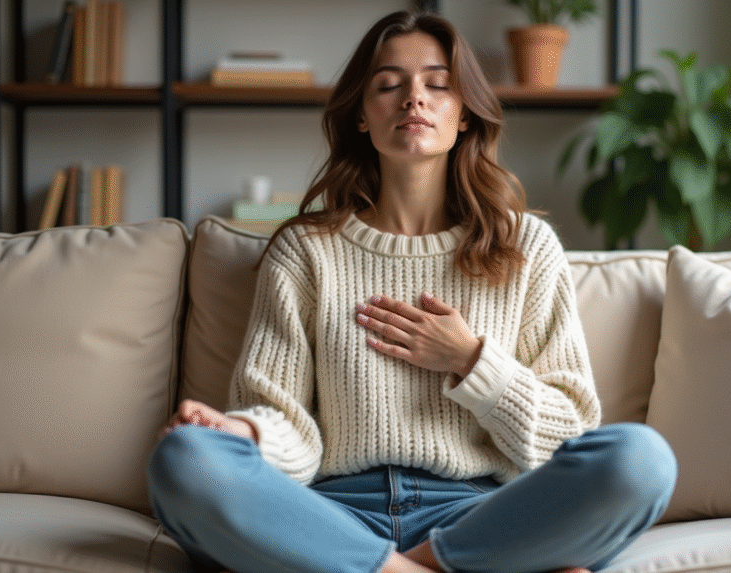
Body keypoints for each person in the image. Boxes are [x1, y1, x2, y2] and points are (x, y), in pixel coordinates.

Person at [146, 10, 677, 573]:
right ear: (360, 116)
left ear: (465, 114)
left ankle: (412, 565)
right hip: (331, 516)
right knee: (185, 459)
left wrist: (472, 361)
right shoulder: (306, 250)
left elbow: (565, 437)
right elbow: (291, 429)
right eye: (389, 85)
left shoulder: (527, 247)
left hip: (482, 513)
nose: (413, 99)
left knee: (642, 461)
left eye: (438, 84)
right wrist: (240, 429)